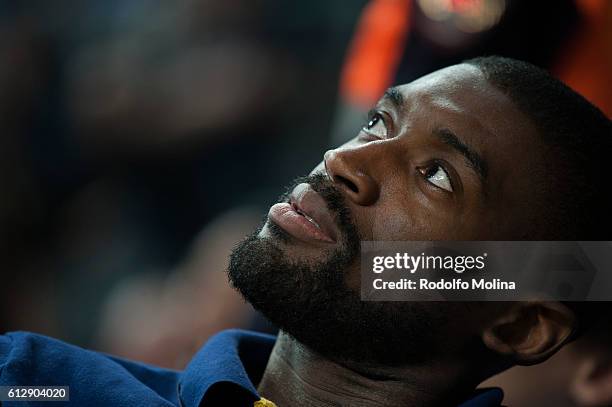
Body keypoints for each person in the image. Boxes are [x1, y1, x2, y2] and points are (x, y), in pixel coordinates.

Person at [0, 56, 610, 407]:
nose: (344, 162)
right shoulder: (31, 383)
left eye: (436, 176)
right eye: (377, 123)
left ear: (520, 324)